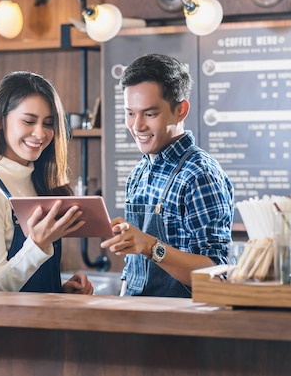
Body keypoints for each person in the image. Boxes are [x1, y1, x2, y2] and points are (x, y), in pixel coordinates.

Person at [100, 53, 234, 297]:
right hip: (136, 320)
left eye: (149, 114)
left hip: (182, 325)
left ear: (181, 110)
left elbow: (217, 272)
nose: (137, 126)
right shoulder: (139, 173)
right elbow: (133, 269)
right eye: (130, 113)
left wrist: (150, 246)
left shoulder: (199, 174)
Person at [0, 71, 93, 294]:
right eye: (29, 121)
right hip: (5, 327)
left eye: (48, 123)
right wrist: (37, 245)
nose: (40, 133)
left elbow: (29, 283)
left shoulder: (38, 182)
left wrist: (59, 291)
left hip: (43, 323)